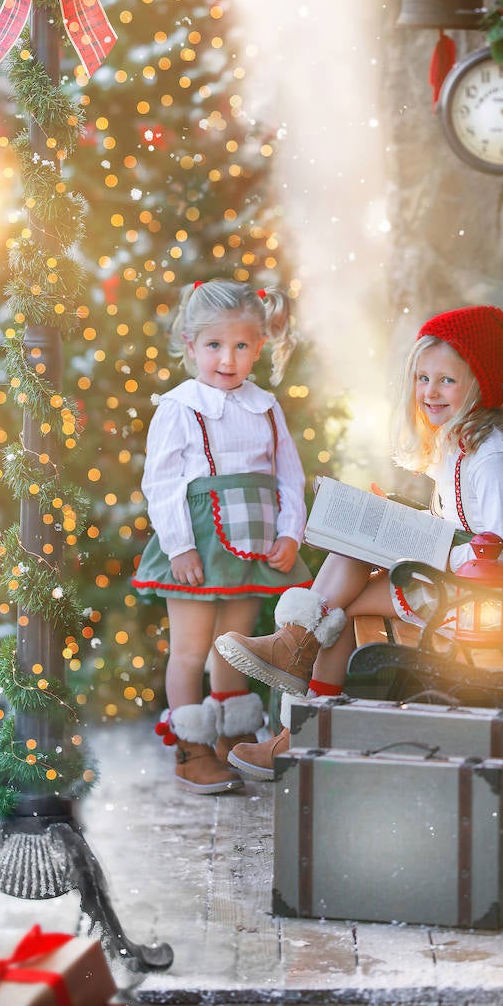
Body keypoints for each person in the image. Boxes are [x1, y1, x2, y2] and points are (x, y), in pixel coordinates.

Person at [214, 304, 503, 779]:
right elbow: (457, 522)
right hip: (463, 579)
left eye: (447, 380)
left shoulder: (494, 459)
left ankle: (297, 696)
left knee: (340, 607)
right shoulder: (458, 443)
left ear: (480, 382)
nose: (430, 393)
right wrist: (400, 522)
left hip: (497, 598)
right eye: (423, 378)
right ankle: (296, 684)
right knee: (350, 560)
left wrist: (426, 547)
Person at [133, 279, 313, 793]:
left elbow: (288, 477)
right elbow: (162, 482)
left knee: (233, 646)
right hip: (199, 544)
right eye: (214, 345)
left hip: (252, 544)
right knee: (190, 649)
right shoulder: (179, 407)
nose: (227, 359)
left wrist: (289, 534)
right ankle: (191, 748)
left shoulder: (266, 407)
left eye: (240, 346)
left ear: (259, 346)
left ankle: (232, 740)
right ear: (190, 346)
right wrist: (180, 547)